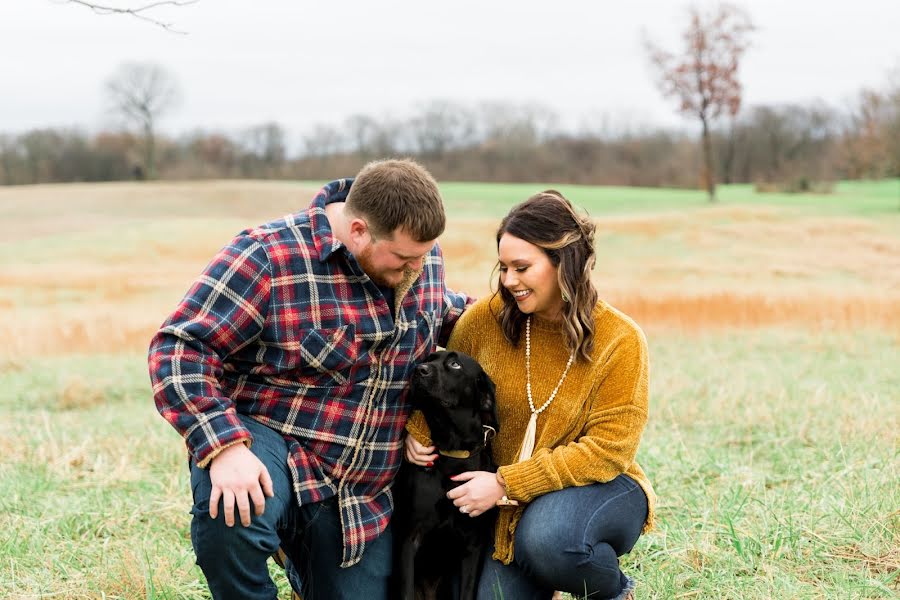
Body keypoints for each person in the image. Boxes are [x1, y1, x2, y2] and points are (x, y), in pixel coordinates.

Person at [148, 158, 471, 600]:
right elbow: (180, 348)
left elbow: (448, 314)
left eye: (424, 256)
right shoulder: (267, 256)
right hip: (276, 448)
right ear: (358, 231)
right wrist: (222, 447)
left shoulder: (417, 257)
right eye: (404, 259)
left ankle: (302, 558)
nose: (417, 269)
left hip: (362, 497)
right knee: (232, 514)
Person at [405, 190, 655, 600]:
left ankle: (613, 592)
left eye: (522, 268)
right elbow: (444, 381)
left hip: (601, 488)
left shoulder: (620, 339)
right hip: (506, 508)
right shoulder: (485, 320)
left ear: (564, 263)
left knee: (551, 540)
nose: (508, 281)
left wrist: (506, 483)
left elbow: (610, 450)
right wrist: (419, 430)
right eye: (503, 267)